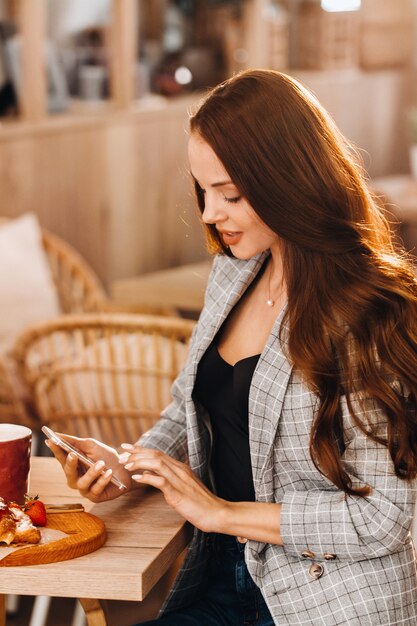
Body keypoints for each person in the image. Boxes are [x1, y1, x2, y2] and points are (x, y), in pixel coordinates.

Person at [46, 69, 417, 626]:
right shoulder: (232, 276)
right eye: (203, 190)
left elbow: (383, 518)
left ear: (287, 182)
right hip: (222, 572)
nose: (209, 214)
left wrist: (222, 512)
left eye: (231, 195)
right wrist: (128, 467)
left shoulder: (372, 311)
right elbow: (186, 410)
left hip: (329, 596)